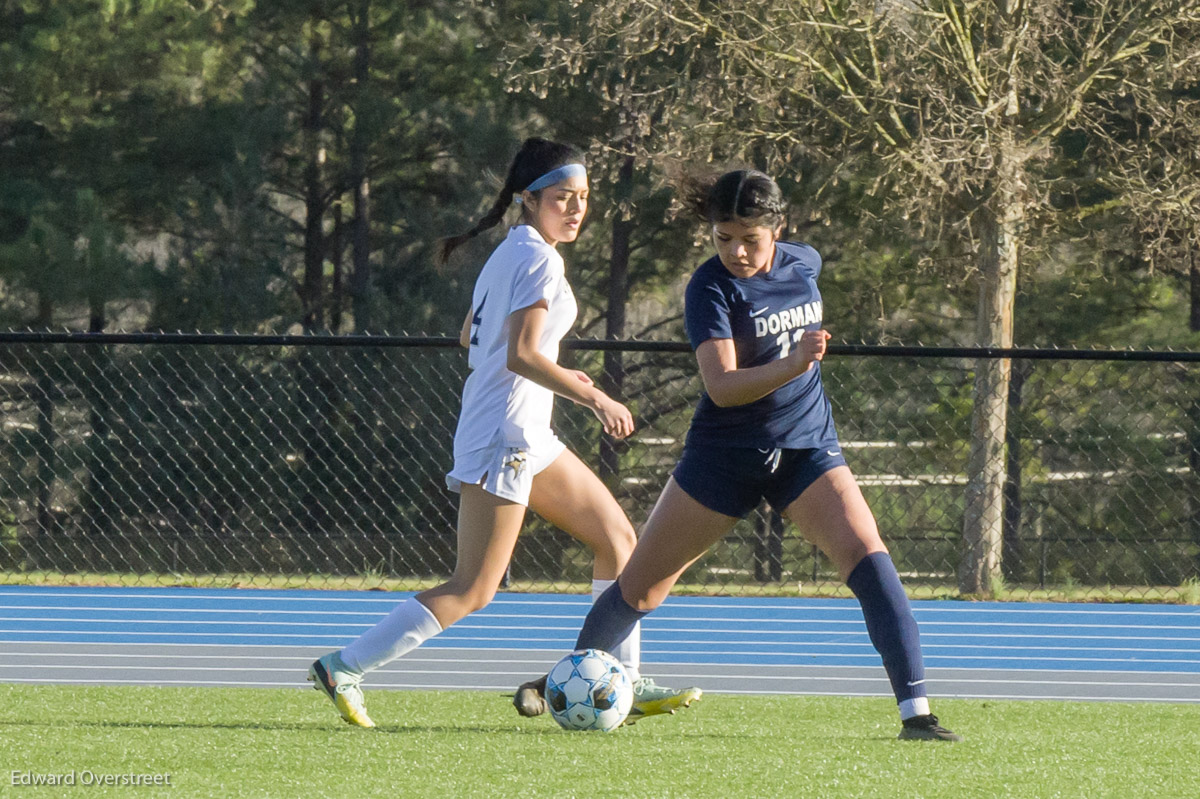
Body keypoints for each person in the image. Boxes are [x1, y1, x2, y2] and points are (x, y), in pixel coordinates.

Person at [517, 168, 961, 741]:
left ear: (780, 228)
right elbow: (723, 386)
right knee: (642, 588)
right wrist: (795, 362)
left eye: (750, 238)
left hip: (806, 449)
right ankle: (564, 685)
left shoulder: (804, 262)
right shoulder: (710, 287)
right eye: (722, 238)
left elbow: (806, 266)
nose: (736, 251)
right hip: (725, 458)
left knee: (869, 560)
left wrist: (797, 365)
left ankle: (917, 716)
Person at [308, 137, 699, 727]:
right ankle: (344, 666)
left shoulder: (512, 252)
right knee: (474, 588)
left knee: (620, 540)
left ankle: (623, 680)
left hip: (524, 432)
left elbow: (472, 334)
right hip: (504, 438)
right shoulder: (537, 258)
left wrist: (557, 369)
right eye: (562, 197)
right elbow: (517, 353)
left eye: (583, 198)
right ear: (528, 199)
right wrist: (592, 394)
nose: (575, 208)